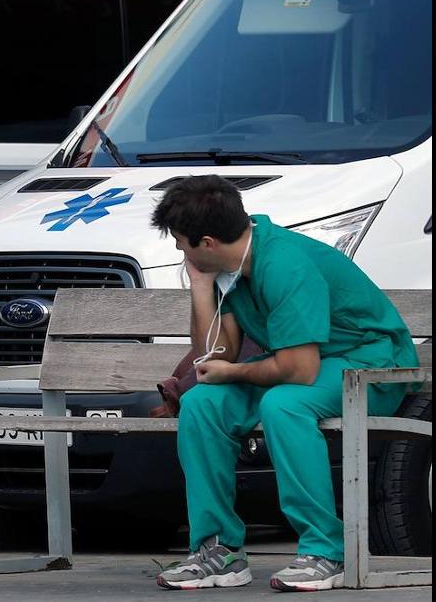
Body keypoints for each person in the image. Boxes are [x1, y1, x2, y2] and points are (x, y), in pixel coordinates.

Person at [150, 175, 418, 592]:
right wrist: (201, 288)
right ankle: (218, 550)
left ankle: (325, 551)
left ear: (206, 242)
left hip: (371, 366)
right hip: (307, 364)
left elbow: (299, 370)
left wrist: (235, 373)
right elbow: (215, 356)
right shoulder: (229, 262)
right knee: (203, 404)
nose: (179, 251)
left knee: (284, 404)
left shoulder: (284, 264)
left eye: (181, 243)